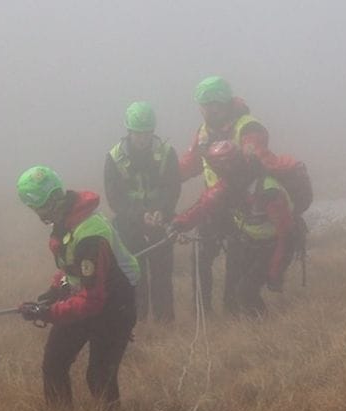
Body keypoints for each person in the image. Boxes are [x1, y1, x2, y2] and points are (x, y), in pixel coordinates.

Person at [17, 166, 139, 411]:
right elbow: (70, 269)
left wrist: (47, 313)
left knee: (99, 376)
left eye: (34, 207)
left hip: (115, 308)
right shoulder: (67, 220)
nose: (35, 213)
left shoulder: (90, 235)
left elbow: (92, 300)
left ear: (45, 205)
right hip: (87, 298)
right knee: (54, 363)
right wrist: (53, 291)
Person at [178, 76, 298, 314]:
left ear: (226, 102)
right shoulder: (203, 133)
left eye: (215, 104)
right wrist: (164, 178)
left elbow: (255, 161)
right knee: (201, 254)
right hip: (218, 201)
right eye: (205, 105)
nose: (210, 110)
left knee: (236, 259)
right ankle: (203, 313)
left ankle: (233, 311)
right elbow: (190, 165)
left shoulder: (248, 127)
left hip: (243, 201)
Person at [171, 141, 294, 317]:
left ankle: (264, 331)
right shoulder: (229, 185)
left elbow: (286, 236)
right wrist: (179, 223)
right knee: (239, 291)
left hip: (272, 245)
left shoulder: (267, 191)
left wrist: (275, 272)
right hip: (251, 242)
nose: (219, 172)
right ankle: (257, 328)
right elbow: (205, 205)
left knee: (246, 292)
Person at [104, 101, 180, 322]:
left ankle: (165, 323)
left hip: (161, 224)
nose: (143, 138)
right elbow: (114, 198)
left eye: (147, 133)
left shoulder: (167, 153)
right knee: (134, 277)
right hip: (129, 227)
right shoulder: (114, 157)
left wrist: (162, 211)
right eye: (138, 133)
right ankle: (137, 324)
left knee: (162, 277)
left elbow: (173, 187)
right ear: (129, 131)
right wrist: (139, 215)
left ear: (152, 131)